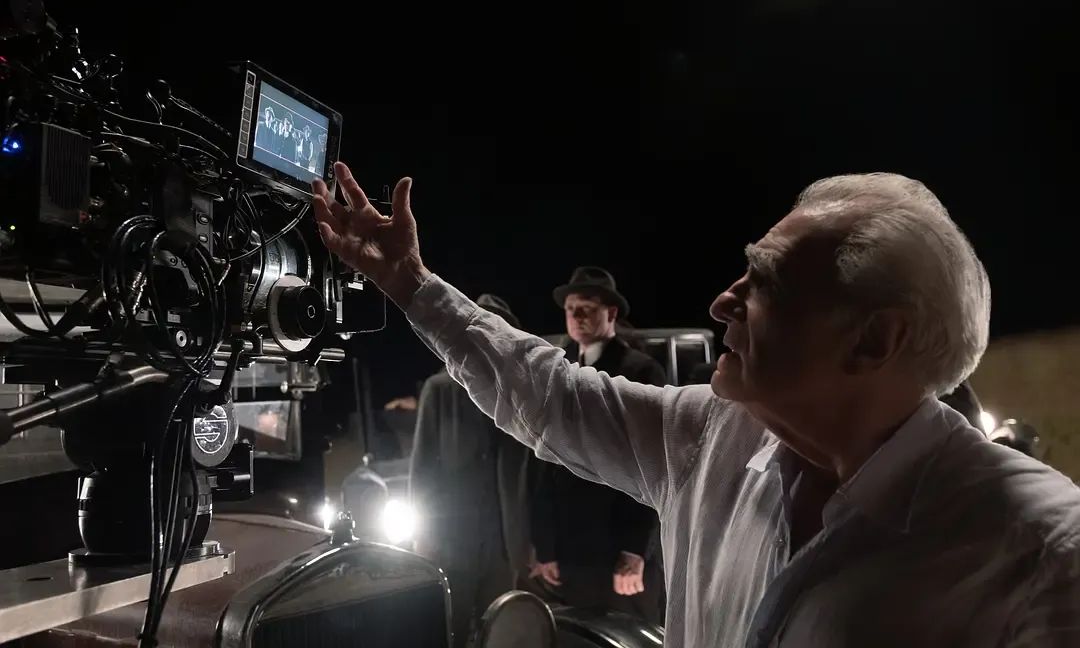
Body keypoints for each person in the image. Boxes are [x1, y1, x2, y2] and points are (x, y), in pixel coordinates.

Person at [311, 164, 1080, 647]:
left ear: (875, 340)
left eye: (764, 282)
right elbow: (546, 395)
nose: (721, 302)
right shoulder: (709, 434)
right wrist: (410, 284)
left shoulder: (1044, 550)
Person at [529, 266, 665, 622]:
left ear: (612, 313)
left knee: (630, 637)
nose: (577, 316)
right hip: (571, 550)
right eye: (571, 308)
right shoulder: (555, 369)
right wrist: (545, 547)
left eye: (587, 308)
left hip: (618, 544)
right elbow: (543, 462)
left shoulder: (641, 371)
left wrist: (636, 548)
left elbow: (653, 463)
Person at [409, 294, 534, 648]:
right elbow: (422, 472)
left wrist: (525, 543)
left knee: (500, 630)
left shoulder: (516, 394)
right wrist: (424, 536)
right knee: (451, 628)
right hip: (451, 541)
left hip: (502, 545)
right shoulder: (440, 389)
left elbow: (526, 474)